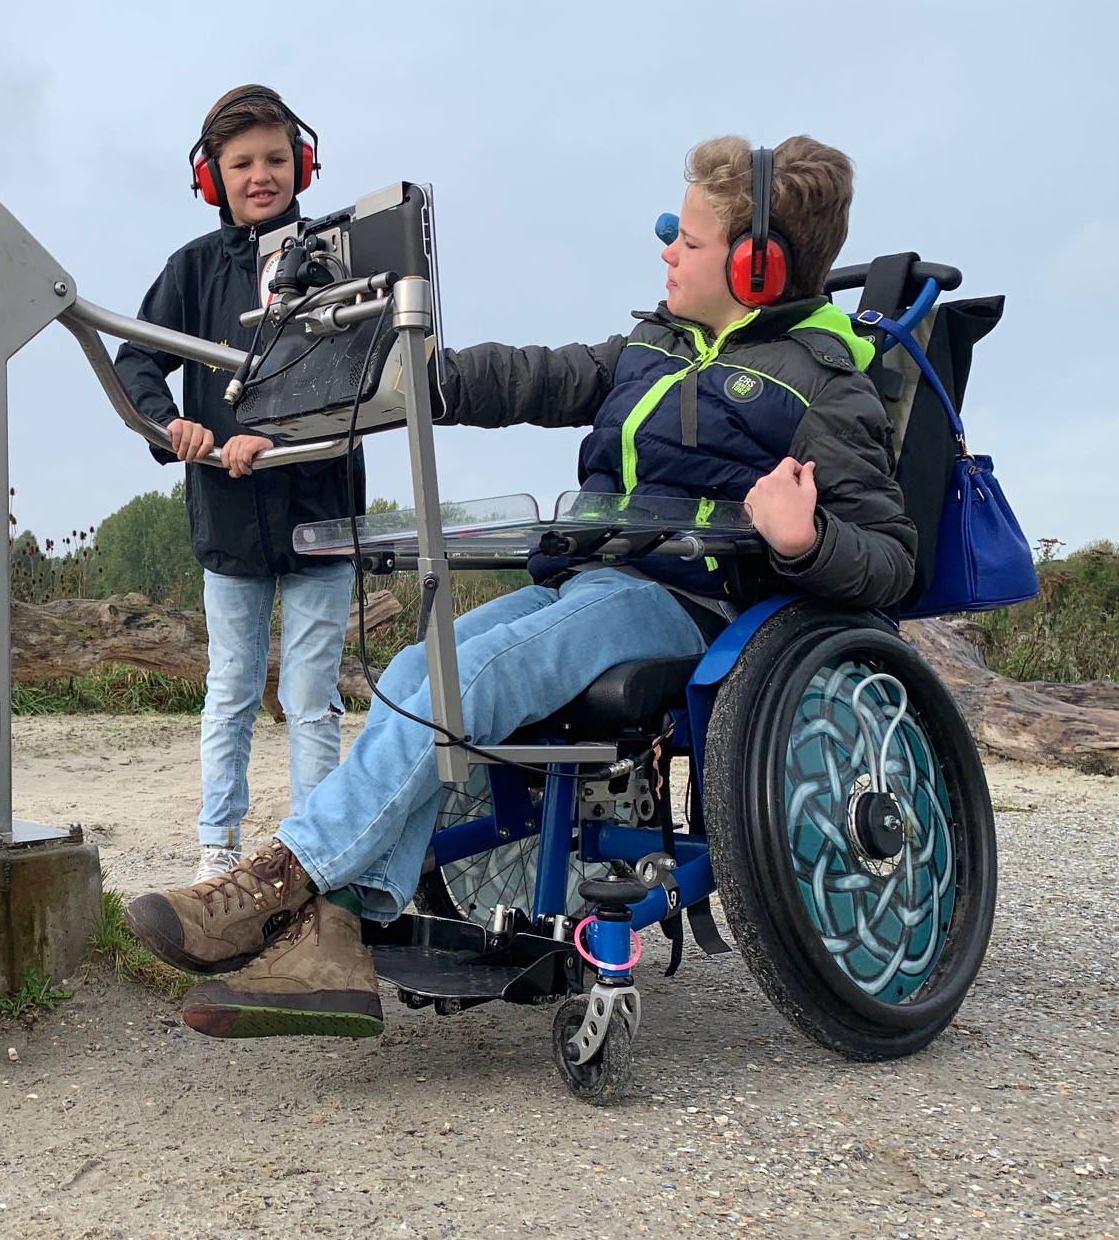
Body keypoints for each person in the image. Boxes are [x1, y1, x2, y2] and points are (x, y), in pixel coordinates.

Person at [125, 134, 917, 1039]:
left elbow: (892, 558)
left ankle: (278, 880)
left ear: (757, 266)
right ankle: (336, 939)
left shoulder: (824, 384)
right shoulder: (655, 343)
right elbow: (535, 375)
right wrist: (423, 378)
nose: (667, 248)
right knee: (416, 674)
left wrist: (807, 540)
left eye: (689, 240)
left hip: (690, 603)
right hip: (591, 578)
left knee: (477, 677)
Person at [112, 86, 364, 884]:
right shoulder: (190, 270)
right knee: (230, 689)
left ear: (304, 164)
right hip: (227, 515)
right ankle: (217, 845)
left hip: (322, 511)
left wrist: (279, 436)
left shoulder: (343, 257)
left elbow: (364, 373)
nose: (262, 175)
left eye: (276, 159)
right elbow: (134, 362)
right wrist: (171, 426)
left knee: (313, 696)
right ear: (211, 177)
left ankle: (310, 857)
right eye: (243, 163)